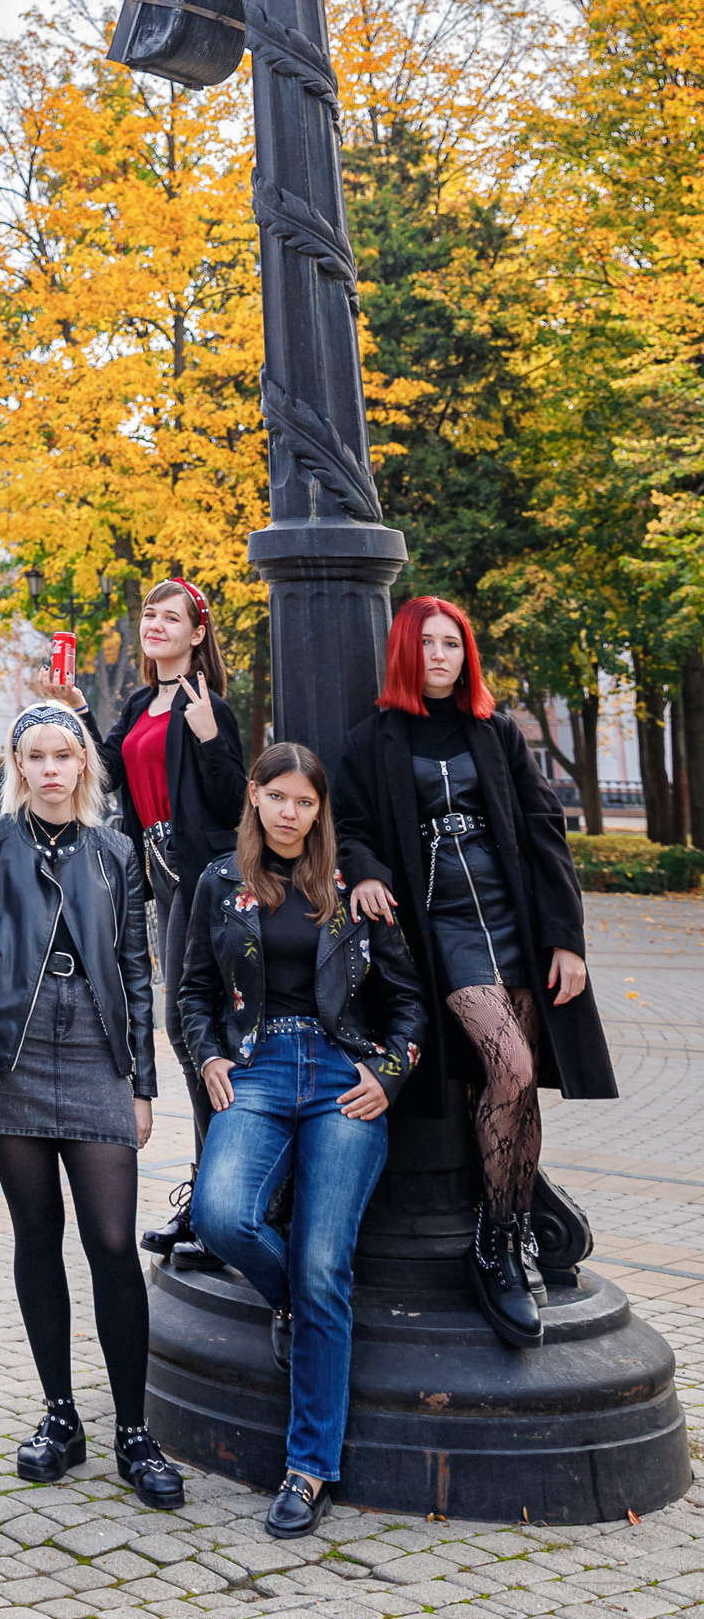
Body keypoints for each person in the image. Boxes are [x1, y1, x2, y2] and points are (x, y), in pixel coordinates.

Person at [336, 597, 614, 1347]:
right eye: (425, 642)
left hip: (512, 917)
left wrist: (567, 938)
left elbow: (544, 828)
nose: (439, 655)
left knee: (516, 1094)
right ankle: (497, 1242)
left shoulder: (497, 732)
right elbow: (351, 826)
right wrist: (362, 870)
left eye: (452, 643)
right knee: (512, 1066)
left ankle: (505, 1236)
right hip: (442, 928)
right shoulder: (372, 740)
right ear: (404, 651)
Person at [181, 743, 428, 1537]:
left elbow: (410, 1005)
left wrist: (388, 1074)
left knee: (327, 1266)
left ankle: (308, 1466)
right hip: (253, 1070)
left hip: (339, 1077)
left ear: (321, 811)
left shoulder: (355, 891)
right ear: (254, 797)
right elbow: (190, 990)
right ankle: (297, 1306)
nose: (291, 812)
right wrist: (209, 1053)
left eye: (306, 801)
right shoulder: (221, 882)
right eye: (277, 796)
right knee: (220, 1216)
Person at [0, 702, 185, 1511]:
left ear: (83, 764)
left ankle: (133, 1429)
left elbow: (137, 968)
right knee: (36, 1235)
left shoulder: (115, 850)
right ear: (18, 765)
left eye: (63, 755)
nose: (50, 769)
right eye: (35, 756)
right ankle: (60, 1415)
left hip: (93, 1054)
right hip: (8, 1054)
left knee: (113, 1239)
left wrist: (142, 1082)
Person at [100, 578, 246, 1262]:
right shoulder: (137, 703)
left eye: (171, 616)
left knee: (191, 1031)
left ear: (198, 633)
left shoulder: (204, 702)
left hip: (203, 877)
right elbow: (104, 777)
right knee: (190, 1035)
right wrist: (73, 712)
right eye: (149, 614)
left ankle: (218, 1203)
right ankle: (216, 1200)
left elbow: (229, 805)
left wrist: (213, 739)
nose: (154, 623)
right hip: (157, 874)